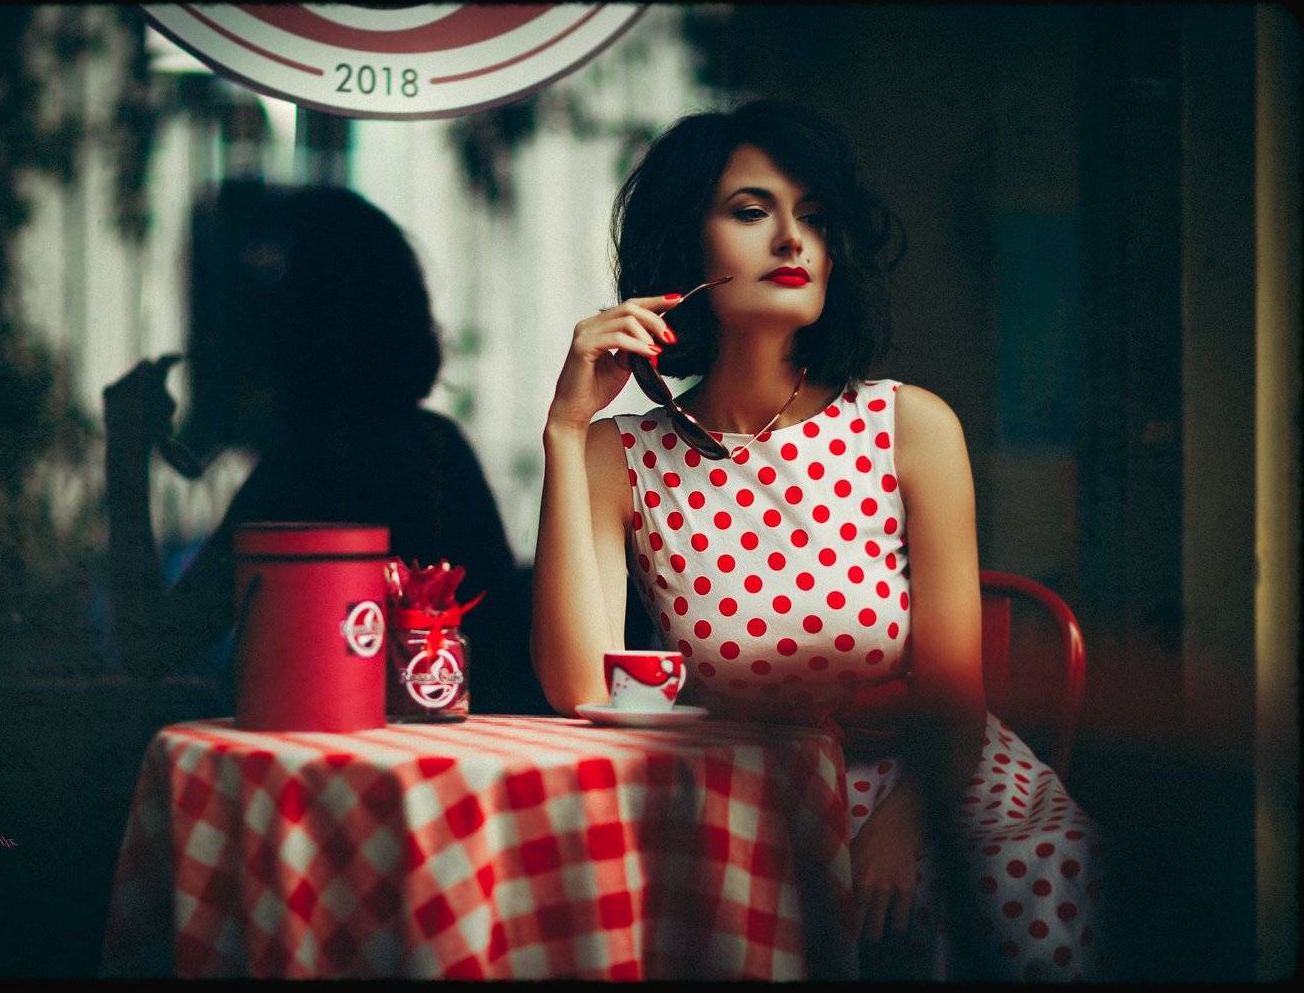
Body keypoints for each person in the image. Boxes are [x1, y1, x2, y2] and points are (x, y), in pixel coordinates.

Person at [530, 100, 1102, 980]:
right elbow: (580, 687)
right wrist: (565, 434)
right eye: (753, 211)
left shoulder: (909, 425)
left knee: (1028, 882)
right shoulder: (621, 454)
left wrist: (897, 834)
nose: (793, 240)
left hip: (936, 792)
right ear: (689, 250)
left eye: (815, 218)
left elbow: (955, 700)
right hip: (750, 805)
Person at [103, 183, 546, 716]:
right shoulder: (436, 450)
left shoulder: (303, 472)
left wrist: (125, 455)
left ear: (292, 334)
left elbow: (152, 645)